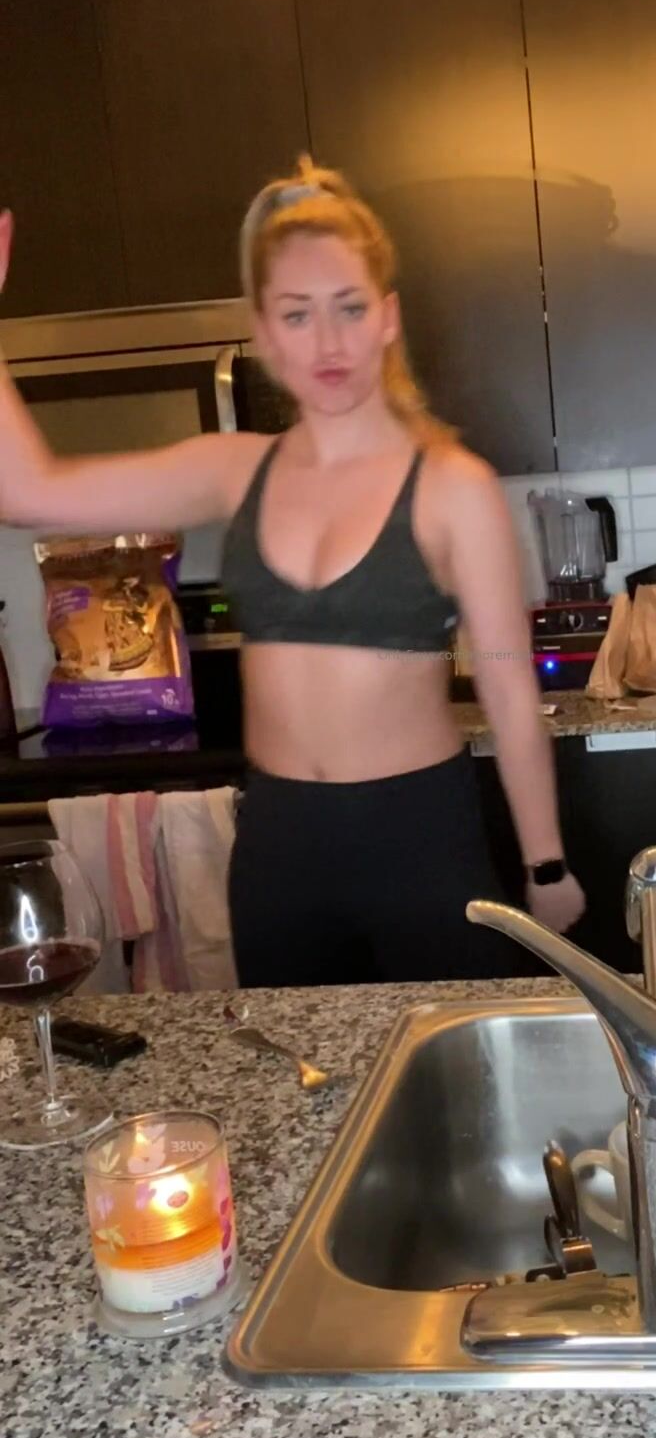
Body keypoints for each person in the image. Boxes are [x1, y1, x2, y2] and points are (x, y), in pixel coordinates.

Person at [0, 163, 584, 985]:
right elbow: (28, 494)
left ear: (388, 317)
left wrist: (545, 863)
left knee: (450, 1062)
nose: (328, 342)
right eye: (298, 315)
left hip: (420, 840)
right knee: (294, 1064)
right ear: (266, 334)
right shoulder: (235, 470)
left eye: (350, 308)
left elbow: (508, 689)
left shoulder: (454, 486)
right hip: (279, 849)